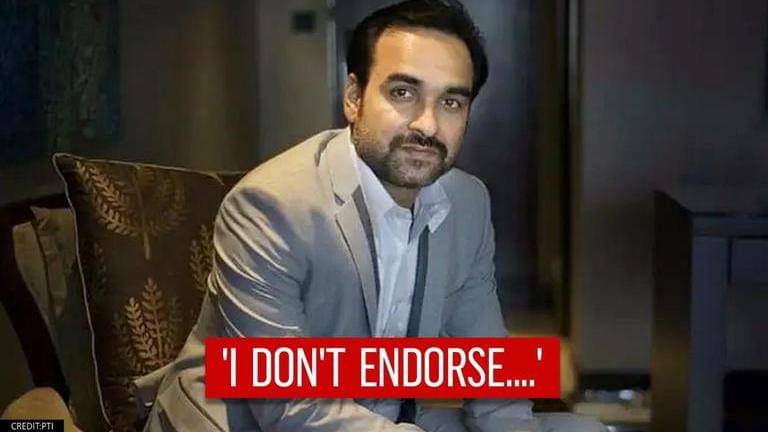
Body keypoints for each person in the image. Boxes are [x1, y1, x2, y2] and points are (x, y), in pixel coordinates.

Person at [141, 1, 604, 431]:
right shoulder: (270, 206)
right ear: (353, 97)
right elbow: (288, 405)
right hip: (251, 420)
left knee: (582, 429)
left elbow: (491, 371)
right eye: (403, 92)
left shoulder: (467, 203)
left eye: (451, 102)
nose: (427, 124)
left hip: (385, 415)